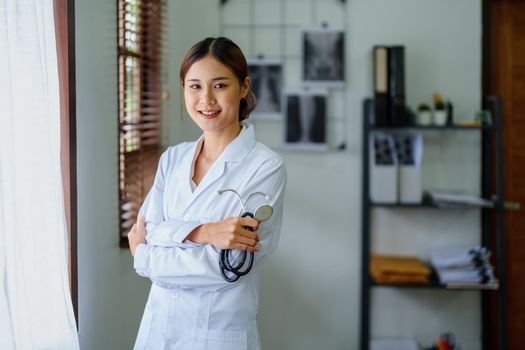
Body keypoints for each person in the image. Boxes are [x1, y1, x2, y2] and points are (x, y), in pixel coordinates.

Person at [127, 37, 287, 350]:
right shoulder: (173, 158)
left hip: (217, 336)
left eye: (219, 85)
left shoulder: (265, 167)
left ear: (243, 88)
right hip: (157, 330)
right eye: (195, 86)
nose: (206, 100)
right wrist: (205, 233)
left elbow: (231, 267)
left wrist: (145, 258)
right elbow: (147, 231)